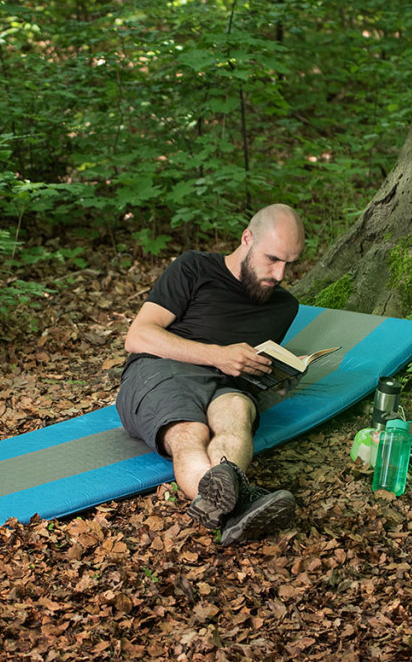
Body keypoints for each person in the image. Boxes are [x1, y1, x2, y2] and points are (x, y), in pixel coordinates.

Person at [116, 203, 304, 545]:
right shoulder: (194, 268)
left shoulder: (284, 307)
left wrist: (273, 376)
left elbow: (247, 367)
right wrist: (218, 355)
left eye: (288, 264)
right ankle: (240, 504)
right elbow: (138, 336)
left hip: (223, 386)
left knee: (237, 411)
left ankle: (228, 509)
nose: (279, 274)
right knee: (191, 431)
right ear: (247, 239)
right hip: (158, 371)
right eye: (272, 259)